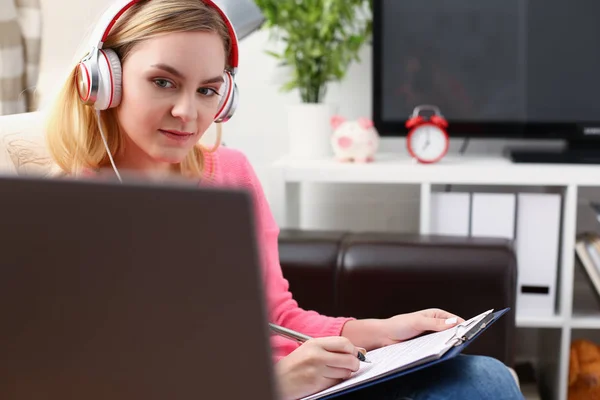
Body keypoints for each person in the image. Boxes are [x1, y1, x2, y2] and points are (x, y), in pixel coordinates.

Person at [44, 1, 524, 399]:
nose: (188, 112)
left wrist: (383, 330)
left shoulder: (230, 173)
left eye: (208, 90)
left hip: (299, 383)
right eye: (163, 81)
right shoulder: (71, 212)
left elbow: (278, 318)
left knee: (486, 380)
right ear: (106, 79)